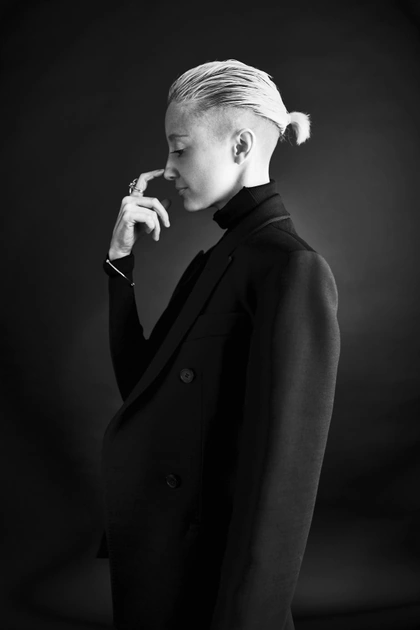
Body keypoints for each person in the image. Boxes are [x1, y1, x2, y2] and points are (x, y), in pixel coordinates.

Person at [99, 58, 340, 630]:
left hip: (214, 594)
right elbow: (142, 391)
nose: (167, 168)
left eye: (179, 149)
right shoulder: (216, 261)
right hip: (163, 570)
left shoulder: (291, 267)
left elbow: (284, 483)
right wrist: (120, 264)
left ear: (240, 146)